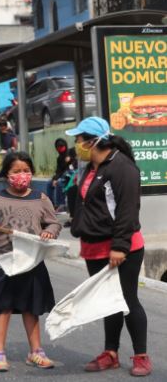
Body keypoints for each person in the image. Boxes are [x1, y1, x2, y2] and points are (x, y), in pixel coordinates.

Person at [65, 116, 152, 377]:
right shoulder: (89, 167)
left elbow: (127, 211)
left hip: (121, 247)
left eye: (79, 139)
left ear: (94, 141)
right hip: (94, 247)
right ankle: (110, 353)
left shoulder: (121, 167)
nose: (76, 144)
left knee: (127, 300)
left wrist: (120, 247)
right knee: (107, 302)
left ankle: (141, 356)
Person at [0, 151, 61, 372]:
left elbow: (53, 223)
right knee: (2, 308)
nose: (21, 175)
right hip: (4, 261)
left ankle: (36, 352)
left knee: (31, 309)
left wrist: (50, 232)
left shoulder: (41, 198)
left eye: (25, 171)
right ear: (7, 174)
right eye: (16, 171)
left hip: (32, 261)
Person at [46, 138, 76, 212]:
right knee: (49, 183)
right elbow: (59, 171)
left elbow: (77, 161)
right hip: (63, 175)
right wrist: (54, 179)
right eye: (58, 147)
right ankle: (51, 204)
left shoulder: (72, 151)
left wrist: (71, 159)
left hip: (72, 175)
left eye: (62, 146)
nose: (61, 148)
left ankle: (61, 205)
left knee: (60, 182)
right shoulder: (59, 158)